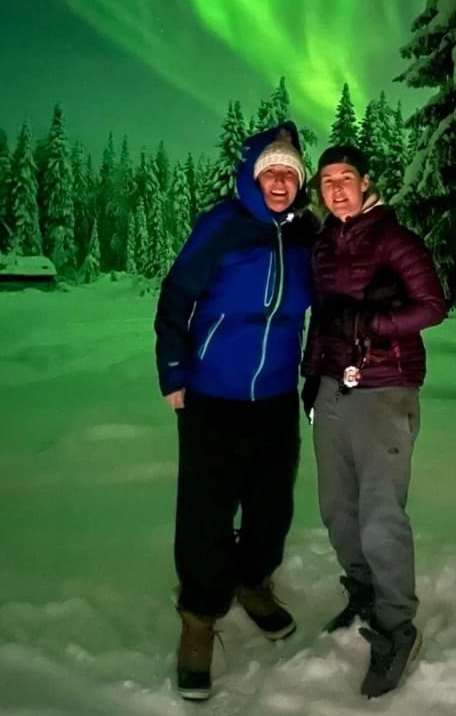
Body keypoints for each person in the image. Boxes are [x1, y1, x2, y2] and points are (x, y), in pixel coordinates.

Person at [154, 122, 316, 702]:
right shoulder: (222, 224)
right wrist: (174, 370)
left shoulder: (307, 234)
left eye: (290, 173)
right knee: (206, 511)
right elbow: (177, 295)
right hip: (212, 395)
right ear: (252, 175)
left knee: (271, 505)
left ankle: (253, 582)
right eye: (271, 171)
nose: (281, 181)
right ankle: (199, 620)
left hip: (275, 396)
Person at [300, 143, 447, 699]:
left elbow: (432, 306)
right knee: (337, 508)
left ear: (365, 183)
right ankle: (362, 591)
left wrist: (369, 322)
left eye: (346, 178)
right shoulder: (323, 246)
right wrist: (312, 374)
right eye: (326, 180)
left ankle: (396, 625)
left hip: (385, 388)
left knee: (380, 514)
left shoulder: (394, 239)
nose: (336, 189)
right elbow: (322, 317)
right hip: (332, 388)